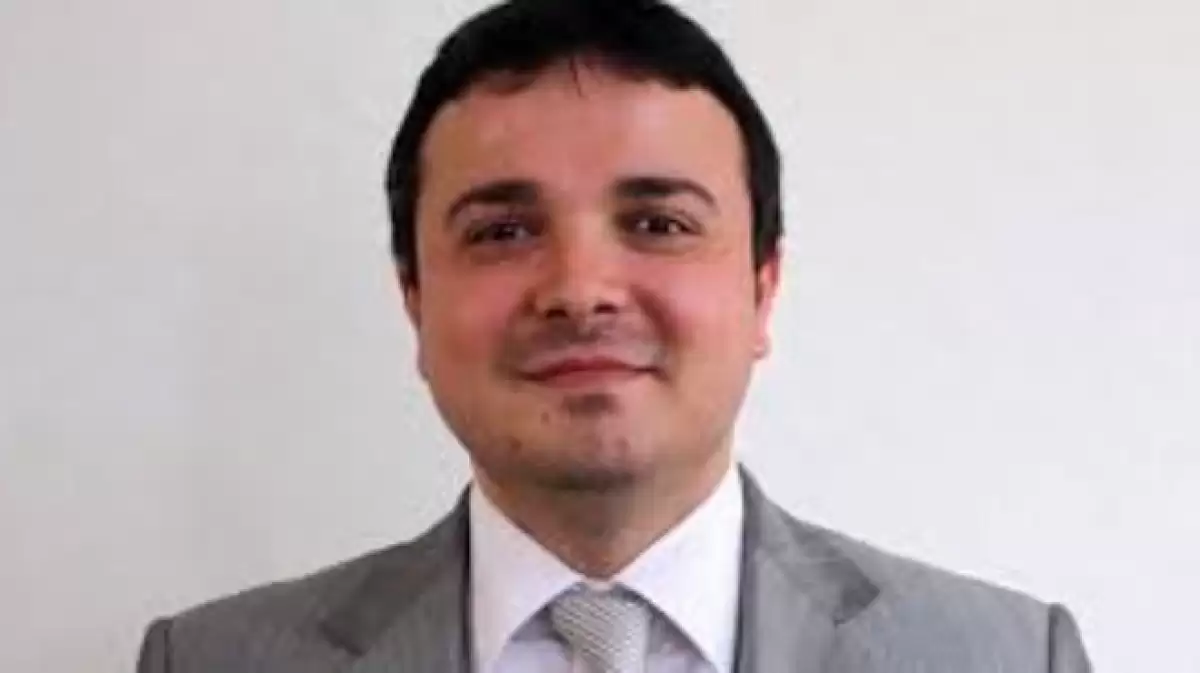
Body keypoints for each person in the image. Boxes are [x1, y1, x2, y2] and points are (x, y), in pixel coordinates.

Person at [136, 1, 1092, 671]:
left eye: (658, 223)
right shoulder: (211, 660)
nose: (580, 291)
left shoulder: (1008, 656)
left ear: (763, 288)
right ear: (415, 301)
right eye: (502, 232)